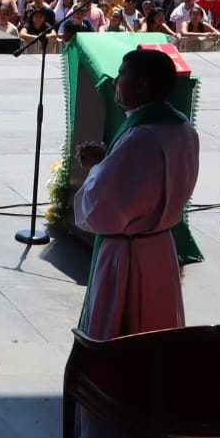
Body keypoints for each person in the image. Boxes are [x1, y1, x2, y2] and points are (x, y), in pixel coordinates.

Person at [73, 47, 199, 338]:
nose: (116, 82)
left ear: (143, 83)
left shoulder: (139, 137)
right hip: (160, 250)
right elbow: (153, 180)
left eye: (121, 74)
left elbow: (104, 207)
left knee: (123, 334)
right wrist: (111, 159)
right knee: (157, 331)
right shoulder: (181, 126)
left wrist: (96, 167)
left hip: (127, 257)